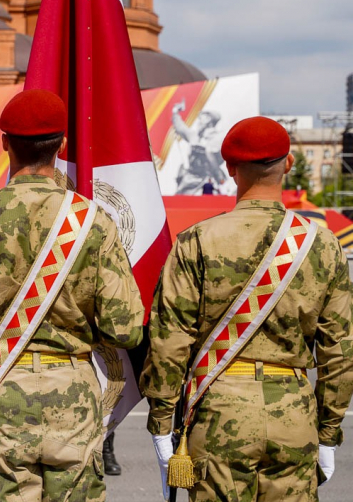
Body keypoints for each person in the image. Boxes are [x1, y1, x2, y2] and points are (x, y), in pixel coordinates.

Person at [0, 90, 144, 502]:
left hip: (0, 392)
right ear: (62, 145)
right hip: (75, 396)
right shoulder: (94, 223)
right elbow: (126, 328)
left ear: (5, 142)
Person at [140, 116, 353, 502]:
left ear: (230, 169)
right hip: (294, 412)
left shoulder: (197, 241)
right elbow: (340, 351)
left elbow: (169, 340)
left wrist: (161, 422)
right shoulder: (322, 244)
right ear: (289, 164)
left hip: (219, 409)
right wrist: (327, 434)